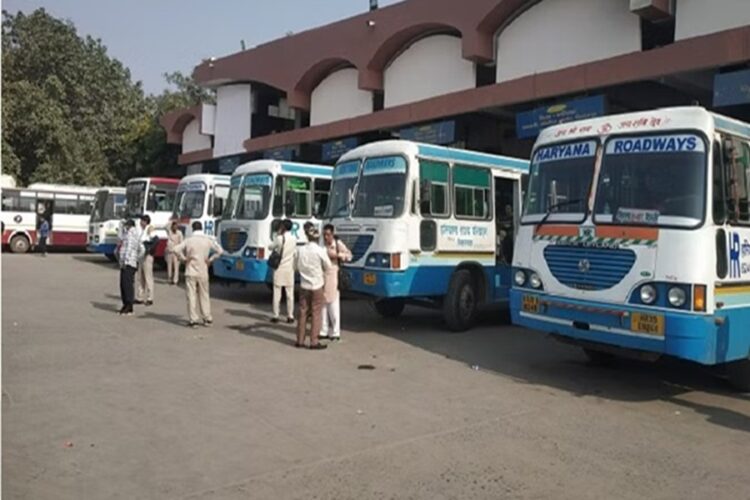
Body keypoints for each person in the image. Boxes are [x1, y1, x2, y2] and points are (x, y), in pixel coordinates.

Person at [172, 221, 224, 328]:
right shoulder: (207, 240)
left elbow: (175, 249)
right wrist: (210, 259)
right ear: (202, 228)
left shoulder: (189, 241)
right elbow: (220, 251)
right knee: (204, 295)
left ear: (193, 229)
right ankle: (207, 318)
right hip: (203, 270)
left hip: (191, 270)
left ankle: (193, 320)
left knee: (191, 296)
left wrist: (184, 259)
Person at [294, 226, 331, 350]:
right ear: (318, 237)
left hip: (304, 285)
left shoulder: (300, 250)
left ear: (307, 236)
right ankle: (314, 341)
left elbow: (295, 266)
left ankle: (300, 340)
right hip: (317, 285)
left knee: (302, 312)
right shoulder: (320, 251)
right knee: (316, 313)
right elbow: (328, 266)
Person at [320, 224, 352, 341]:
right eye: (324, 235)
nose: (326, 237)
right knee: (323, 305)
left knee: (333, 305)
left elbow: (349, 256)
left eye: (328, 235)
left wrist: (338, 255)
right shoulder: (321, 245)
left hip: (333, 275)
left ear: (332, 234)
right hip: (322, 276)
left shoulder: (338, 244)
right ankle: (323, 330)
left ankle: (335, 331)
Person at [269, 219, 297, 324]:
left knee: (277, 293)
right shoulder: (294, 239)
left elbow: (270, 246)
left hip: (279, 268)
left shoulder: (279, 238)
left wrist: (277, 235)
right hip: (289, 269)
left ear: (283, 227)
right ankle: (290, 315)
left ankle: (276, 315)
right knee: (290, 294)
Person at [118, 219, 140, 316]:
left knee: (127, 285)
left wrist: (125, 261)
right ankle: (125, 304)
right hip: (125, 262)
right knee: (123, 284)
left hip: (129, 263)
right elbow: (120, 237)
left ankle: (129, 305)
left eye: (126, 225)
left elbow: (129, 248)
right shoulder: (126, 234)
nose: (125, 227)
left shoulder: (132, 234)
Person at [136, 215, 157, 306]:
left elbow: (156, 240)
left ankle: (150, 297)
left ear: (145, 221)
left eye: (142, 221)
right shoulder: (142, 230)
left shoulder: (150, 229)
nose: (140, 223)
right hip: (141, 255)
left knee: (148, 277)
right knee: (141, 277)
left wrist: (148, 249)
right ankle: (140, 297)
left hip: (147, 255)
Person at [166, 220, 183, 285]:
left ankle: (175, 280)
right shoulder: (169, 232)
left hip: (176, 252)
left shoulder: (179, 233)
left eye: (176, 226)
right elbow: (166, 226)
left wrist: (180, 253)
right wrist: (172, 221)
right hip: (169, 252)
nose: (175, 227)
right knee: (169, 266)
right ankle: (169, 279)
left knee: (176, 267)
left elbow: (181, 243)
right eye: (174, 226)